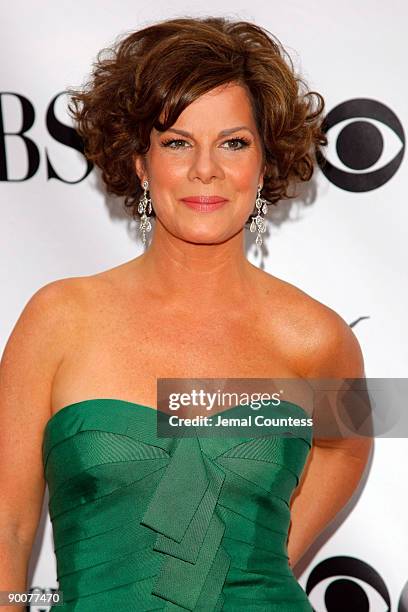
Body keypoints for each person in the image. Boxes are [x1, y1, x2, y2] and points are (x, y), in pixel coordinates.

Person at [0, 15, 373, 611]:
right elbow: (10, 529)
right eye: (177, 142)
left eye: (233, 142)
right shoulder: (59, 319)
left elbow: (345, 445)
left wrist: (253, 564)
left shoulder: (314, 338)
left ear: (264, 163)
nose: (207, 169)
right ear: (141, 163)